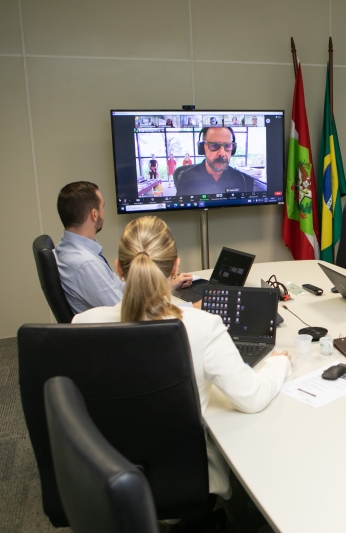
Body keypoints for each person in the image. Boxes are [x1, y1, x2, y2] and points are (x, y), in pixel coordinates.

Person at [72, 216, 293, 499]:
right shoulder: (202, 326)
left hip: (103, 472)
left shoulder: (82, 323)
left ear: (118, 268)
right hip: (182, 478)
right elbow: (252, 399)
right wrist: (279, 362)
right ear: (176, 266)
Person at [54, 182, 192, 313]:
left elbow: (122, 289)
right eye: (103, 206)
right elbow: (131, 312)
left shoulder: (67, 249)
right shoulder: (85, 264)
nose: (104, 212)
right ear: (94, 214)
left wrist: (165, 285)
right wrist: (190, 308)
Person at [176, 127, 266, 197]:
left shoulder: (241, 179)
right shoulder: (186, 177)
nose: (222, 153)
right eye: (214, 145)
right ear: (203, 148)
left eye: (228, 146)